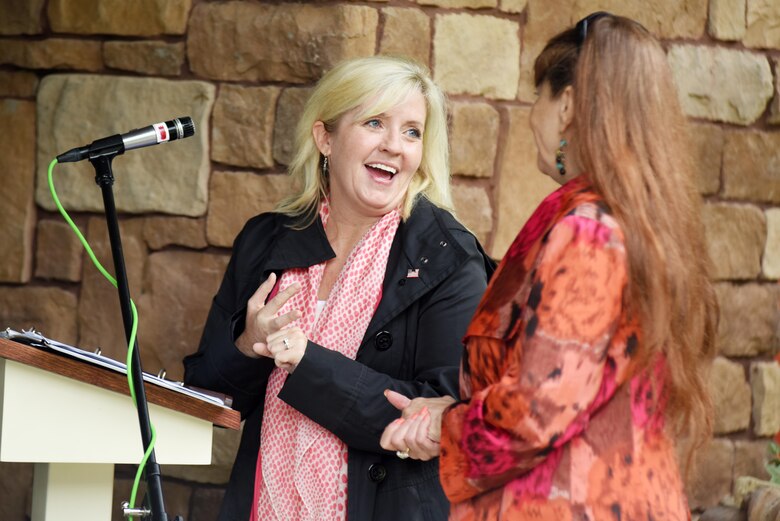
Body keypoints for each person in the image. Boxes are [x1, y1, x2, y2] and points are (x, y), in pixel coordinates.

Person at [380, 13, 717, 520]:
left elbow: (537, 411)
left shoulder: (590, 232)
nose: (531, 115)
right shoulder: (631, 223)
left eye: (537, 96)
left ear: (567, 106)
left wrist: (442, 427)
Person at [183, 56, 493, 521]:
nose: (395, 146)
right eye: (375, 123)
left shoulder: (447, 258)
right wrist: (248, 345)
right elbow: (205, 395)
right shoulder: (267, 240)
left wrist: (308, 363)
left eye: (412, 132)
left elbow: (442, 419)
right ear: (325, 137)